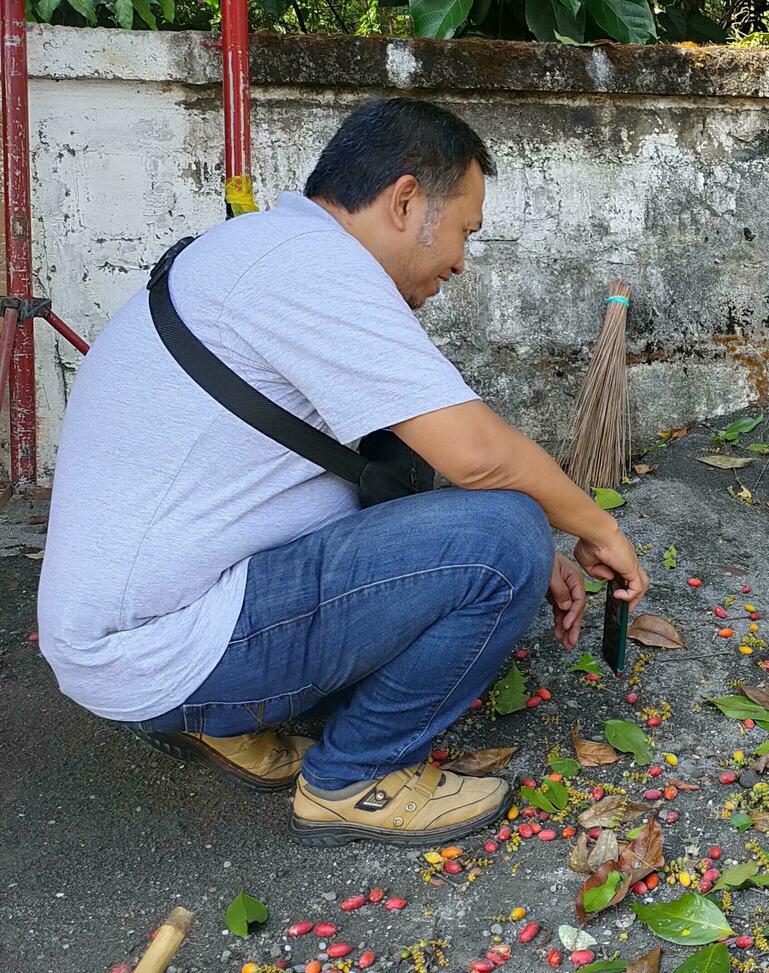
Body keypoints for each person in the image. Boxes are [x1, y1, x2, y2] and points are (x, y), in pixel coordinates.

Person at [37, 98, 647, 847]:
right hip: (158, 651)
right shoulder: (315, 266)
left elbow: (397, 470)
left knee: (494, 535)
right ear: (404, 201)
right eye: (465, 231)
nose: (461, 260)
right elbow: (477, 452)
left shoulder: (259, 247)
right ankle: (354, 777)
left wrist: (468, 540)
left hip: (126, 637)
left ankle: (225, 720)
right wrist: (595, 525)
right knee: (511, 536)